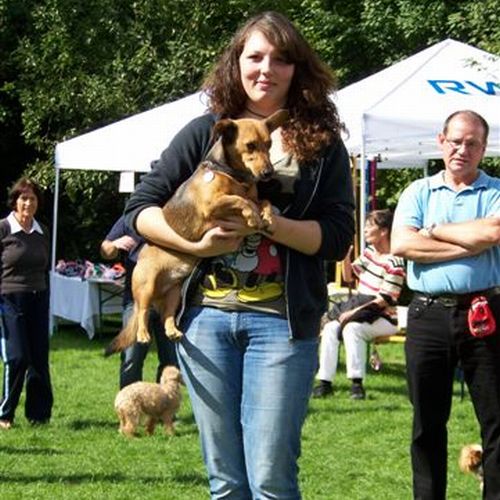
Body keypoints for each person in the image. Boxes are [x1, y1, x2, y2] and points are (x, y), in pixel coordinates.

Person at [124, 11, 355, 499]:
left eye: (281, 59)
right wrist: (195, 245)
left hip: (281, 324)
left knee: (270, 477)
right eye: (255, 56)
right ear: (237, 62)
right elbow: (139, 211)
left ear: (297, 68)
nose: (266, 69)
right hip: (204, 321)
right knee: (226, 481)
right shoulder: (207, 132)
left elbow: (338, 236)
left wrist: (272, 225)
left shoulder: (320, 143)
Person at [391, 110, 500, 499]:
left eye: (472, 143)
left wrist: (433, 231)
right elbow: (402, 244)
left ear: (483, 149)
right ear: (441, 141)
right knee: (427, 423)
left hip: (485, 314)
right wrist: (470, 244)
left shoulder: (495, 191)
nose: (462, 150)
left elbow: (494, 230)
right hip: (428, 315)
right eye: (455, 141)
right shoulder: (418, 192)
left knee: (497, 421)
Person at [313, 209, 406, 400]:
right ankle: (324, 382)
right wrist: (345, 257)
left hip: (385, 317)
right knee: (330, 328)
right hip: (362, 310)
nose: (365, 230)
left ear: (384, 231)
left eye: (370, 226)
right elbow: (349, 277)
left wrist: (352, 313)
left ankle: (357, 384)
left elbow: (385, 300)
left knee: (352, 329)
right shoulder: (370, 252)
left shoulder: (395, 262)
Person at [0, 177, 53, 428]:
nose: (28, 203)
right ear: (15, 201)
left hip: (38, 298)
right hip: (9, 299)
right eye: (23, 198)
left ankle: (39, 415)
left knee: (39, 359)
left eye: (32, 199)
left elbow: (45, 269)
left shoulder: (43, 232)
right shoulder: (3, 228)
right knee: (18, 357)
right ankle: (5, 413)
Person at [100, 215, 177, 388]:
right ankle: (130, 402)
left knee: (171, 362)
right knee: (131, 357)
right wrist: (114, 245)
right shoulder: (130, 217)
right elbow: (105, 249)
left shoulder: (170, 215)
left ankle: (164, 403)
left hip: (168, 301)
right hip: (136, 302)